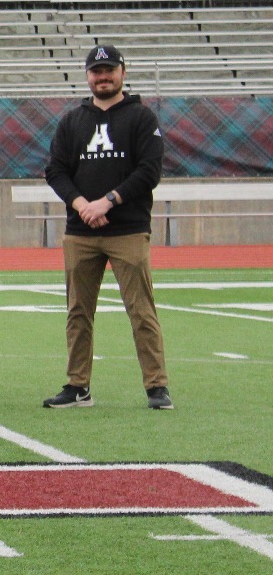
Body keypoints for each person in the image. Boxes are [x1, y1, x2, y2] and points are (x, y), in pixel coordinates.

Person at [42, 44, 171, 410]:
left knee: (141, 310)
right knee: (78, 312)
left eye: (109, 70)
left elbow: (149, 171)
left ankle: (156, 386)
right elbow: (56, 170)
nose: (103, 77)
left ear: (123, 72)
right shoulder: (72, 120)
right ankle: (77, 385)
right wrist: (83, 205)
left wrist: (108, 200)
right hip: (81, 231)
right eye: (97, 71)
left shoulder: (142, 118)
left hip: (127, 229)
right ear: (88, 76)